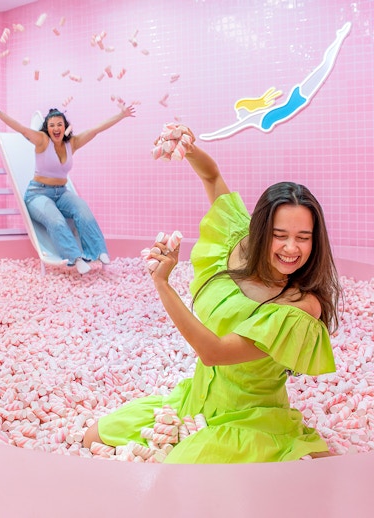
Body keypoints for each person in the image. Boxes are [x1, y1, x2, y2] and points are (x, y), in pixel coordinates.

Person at [83, 127, 341, 462]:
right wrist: (188, 148)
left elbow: (214, 352)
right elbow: (212, 175)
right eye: (280, 235)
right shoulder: (237, 241)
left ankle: (285, 450)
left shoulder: (302, 305)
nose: (291, 248)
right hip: (196, 399)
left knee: (178, 475)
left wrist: (163, 284)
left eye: (303, 237)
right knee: (93, 436)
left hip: (248, 418)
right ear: (261, 231)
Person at [0, 101, 136, 274]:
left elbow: (96, 129)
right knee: (57, 220)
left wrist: (121, 115)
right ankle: (75, 257)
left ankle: (98, 251)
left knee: (83, 211)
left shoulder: (72, 143)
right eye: (52, 125)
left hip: (62, 193)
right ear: (47, 128)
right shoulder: (43, 141)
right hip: (37, 194)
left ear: (65, 127)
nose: (56, 128)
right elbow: (22, 129)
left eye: (59, 124)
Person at [200, 21, 351, 141]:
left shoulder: (252, 118)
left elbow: (230, 129)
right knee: (323, 67)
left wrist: (209, 136)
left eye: (240, 112)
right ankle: (338, 38)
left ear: (248, 110)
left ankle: (339, 38)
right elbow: (231, 128)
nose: (239, 116)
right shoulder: (255, 117)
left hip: (298, 98)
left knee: (324, 67)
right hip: (298, 99)